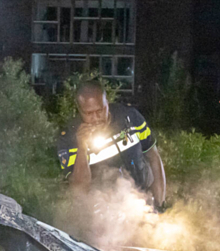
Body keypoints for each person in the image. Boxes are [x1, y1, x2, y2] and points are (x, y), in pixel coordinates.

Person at [57, 80, 166, 209]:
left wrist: (159, 205)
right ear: (79, 110)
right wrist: (82, 147)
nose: (96, 118)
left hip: (142, 205)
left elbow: (153, 157)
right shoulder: (68, 138)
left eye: (100, 110)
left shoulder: (131, 118)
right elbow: (79, 190)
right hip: (102, 216)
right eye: (89, 114)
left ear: (106, 103)